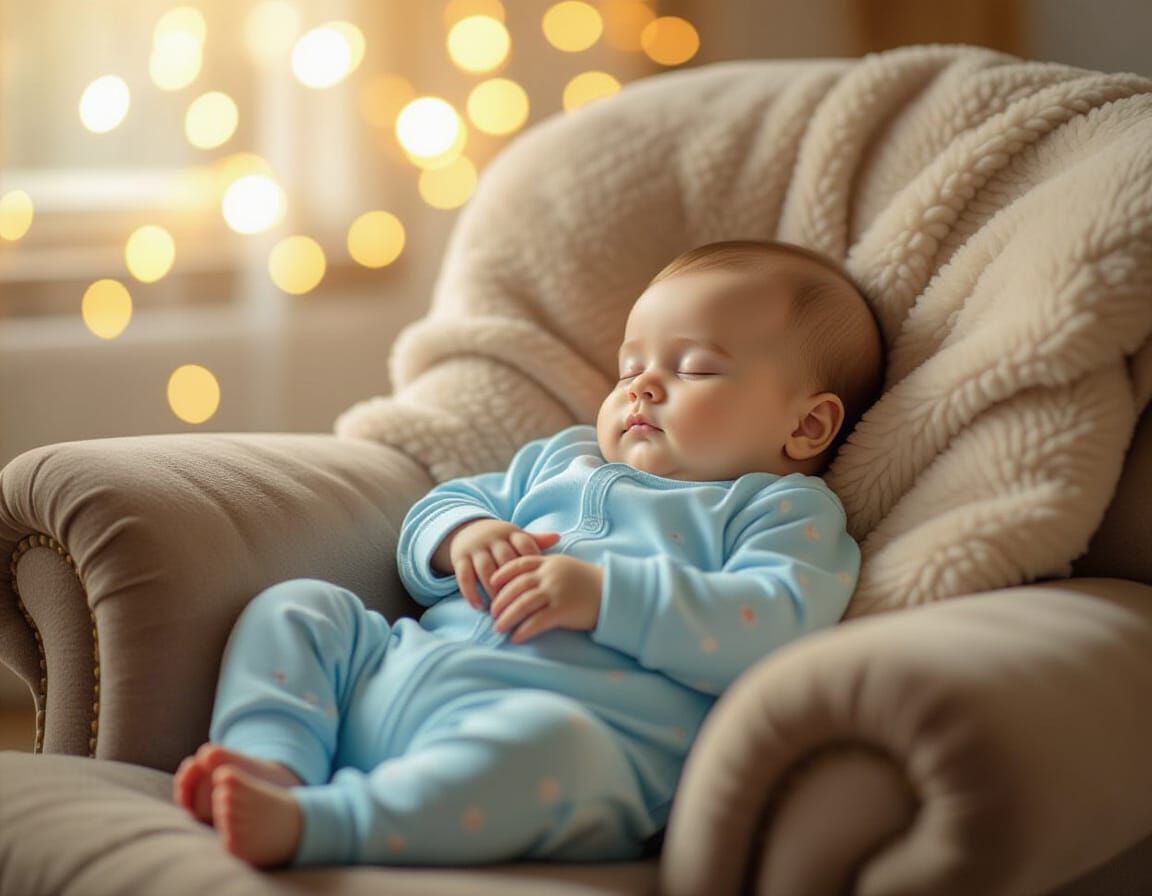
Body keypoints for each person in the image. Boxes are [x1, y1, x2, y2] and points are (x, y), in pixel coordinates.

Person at [173, 238, 886, 868]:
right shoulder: (561, 459)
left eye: (695, 369)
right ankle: (274, 764)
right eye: (629, 368)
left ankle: (325, 824)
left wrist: (606, 598)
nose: (641, 387)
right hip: (398, 671)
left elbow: (773, 622)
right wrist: (464, 536)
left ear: (807, 426)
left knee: (554, 745)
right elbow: (441, 507)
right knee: (299, 609)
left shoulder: (780, 512)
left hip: (552, 743)